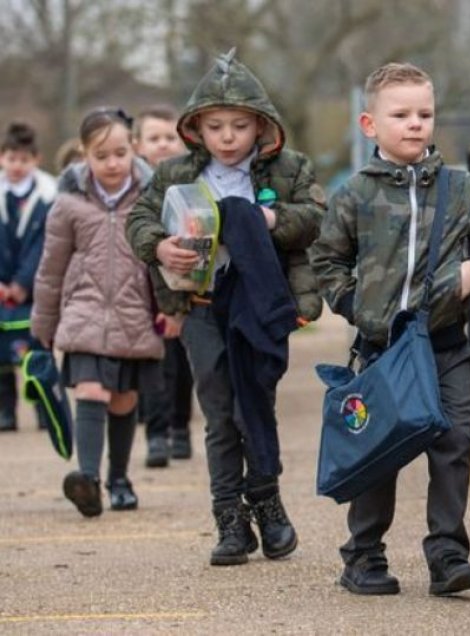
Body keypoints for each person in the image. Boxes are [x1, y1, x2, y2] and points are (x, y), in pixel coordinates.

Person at [310, 62, 470, 597]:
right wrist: (357, 306)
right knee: (380, 453)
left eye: (425, 113)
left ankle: (447, 555)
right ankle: (364, 556)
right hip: (383, 353)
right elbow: (326, 260)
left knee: (453, 446)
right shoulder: (355, 195)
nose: (415, 124)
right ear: (370, 124)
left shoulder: (462, 188)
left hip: (447, 347)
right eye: (400, 115)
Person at [126, 49, 325, 567]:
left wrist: (270, 218)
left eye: (240, 125)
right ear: (196, 128)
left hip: (258, 305)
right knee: (218, 412)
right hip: (201, 305)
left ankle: (268, 503)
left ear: (262, 126)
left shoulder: (290, 169)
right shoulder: (174, 174)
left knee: (252, 404)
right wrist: (158, 246)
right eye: (216, 126)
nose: (229, 136)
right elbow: (140, 219)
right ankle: (230, 520)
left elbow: (314, 218)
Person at [31, 108, 165, 517]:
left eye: (120, 153)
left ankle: (119, 478)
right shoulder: (68, 204)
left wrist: (171, 311)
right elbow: (51, 267)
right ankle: (87, 479)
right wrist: (44, 320)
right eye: (101, 155)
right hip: (83, 312)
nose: (112, 163)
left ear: (134, 150)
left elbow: (163, 262)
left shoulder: (152, 198)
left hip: (134, 313)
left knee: (123, 400)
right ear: (84, 156)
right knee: (90, 390)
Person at [132, 104, 195, 468]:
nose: (162, 145)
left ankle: (179, 427)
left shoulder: (189, 186)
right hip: (138, 287)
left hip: (177, 285)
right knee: (148, 362)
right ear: (139, 145)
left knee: (178, 361)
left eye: (169, 137)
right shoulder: (133, 187)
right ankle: (155, 432)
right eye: (153, 138)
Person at [0, 122, 57, 431]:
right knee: (1, 353)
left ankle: (43, 407)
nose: (17, 166)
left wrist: (23, 283)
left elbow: (46, 245)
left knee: (38, 349)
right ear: (2, 158)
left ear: (35, 160)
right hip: (1, 287)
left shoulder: (50, 196)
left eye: (23, 160)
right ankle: (5, 410)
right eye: (11, 158)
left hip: (35, 290)